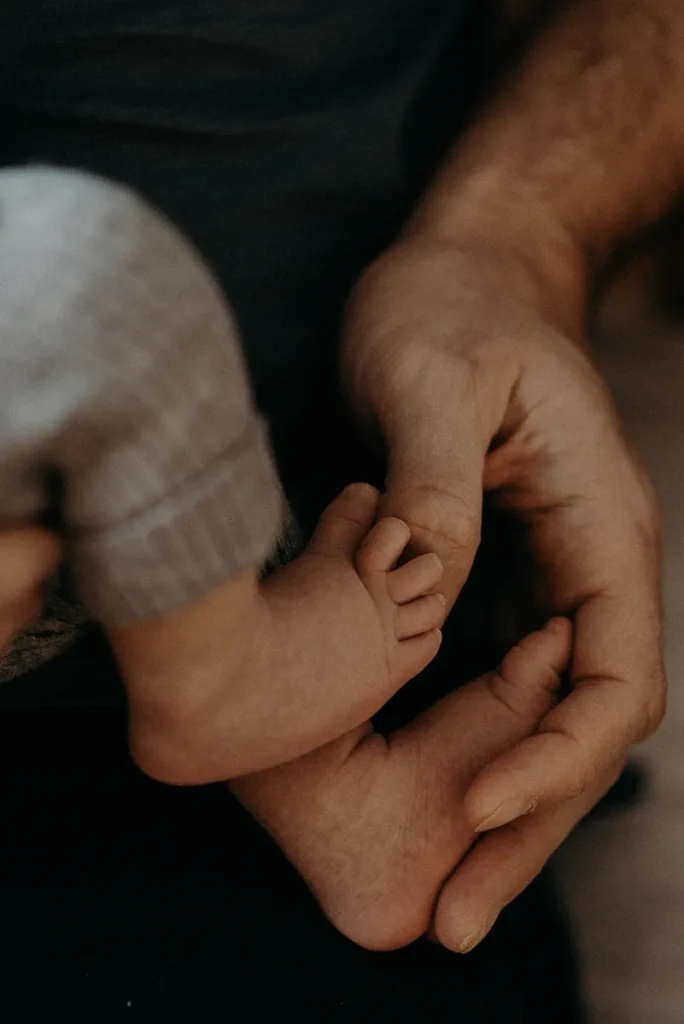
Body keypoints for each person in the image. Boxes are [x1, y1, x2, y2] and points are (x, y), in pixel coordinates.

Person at [0, 0, 673, 1018]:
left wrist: (514, 240)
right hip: (205, 574)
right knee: (85, 273)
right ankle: (232, 684)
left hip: (239, 631)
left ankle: (315, 772)